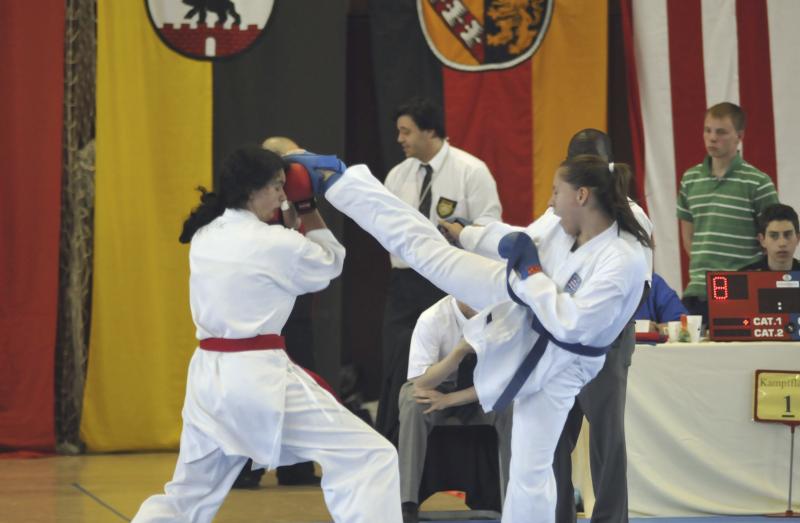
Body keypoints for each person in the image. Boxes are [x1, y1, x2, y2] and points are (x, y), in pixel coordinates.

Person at [288, 151, 650, 523]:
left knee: (530, 468)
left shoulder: (623, 260)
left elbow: (571, 325)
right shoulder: (563, 224)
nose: (551, 203)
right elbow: (523, 241)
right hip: (519, 298)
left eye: (557, 192)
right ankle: (341, 180)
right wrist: (469, 233)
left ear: (582, 195)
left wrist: (532, 274)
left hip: (564, 361)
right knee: (427, 252)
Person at [131, 145, 402, 523]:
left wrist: (289, 228)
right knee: (371, 455)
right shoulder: (274, 243)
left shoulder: (206, 233)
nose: (281, 194)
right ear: (251, 190)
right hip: (257, 380)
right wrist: (306, 208)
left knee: (188, 494)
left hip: (208, 381)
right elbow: (331, 262)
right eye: (276, 186)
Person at [378, 96, 502, 444]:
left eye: (406, 131)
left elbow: (490, 225)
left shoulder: (470, 170)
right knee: (398, 358)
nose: (400, 139)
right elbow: (383, 227)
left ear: (430, 131)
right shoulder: (397, 175)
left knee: (450, 359)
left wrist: (460, 235)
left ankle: (452, 442)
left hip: (450, 279)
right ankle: (395, 443)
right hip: (404, 283)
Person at [230, 136, 321, 489]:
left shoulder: (297, 199)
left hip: (295, 309)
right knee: (254, 390)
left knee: (300, 384)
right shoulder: (247, 208)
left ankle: (296, 466)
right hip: (259, 312)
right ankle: (244, 466)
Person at [398, 296, 512, 523]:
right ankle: (406, 504)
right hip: (437, 386)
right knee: (412, 401)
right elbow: (420, 383)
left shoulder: (502, 317)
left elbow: (503, 382)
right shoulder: (433, 318)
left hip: (480, 391)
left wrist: (450, 400)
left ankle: (514, 499)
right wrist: (458, 352)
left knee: (511, 404)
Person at [677, 102, 778, 322]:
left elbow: (772, 239)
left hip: (743, 292)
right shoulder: (690, 179)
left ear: (739, 136)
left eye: (721, 132)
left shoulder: (758, 183)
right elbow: (688, 237)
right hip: (699, 290)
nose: (712, 138)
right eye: (708, 130)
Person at [739, 203, 800, 271]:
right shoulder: (746, 274)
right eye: (773, 236)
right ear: (762, 240)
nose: (782, 243)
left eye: (788, 235)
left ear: (797, 238)